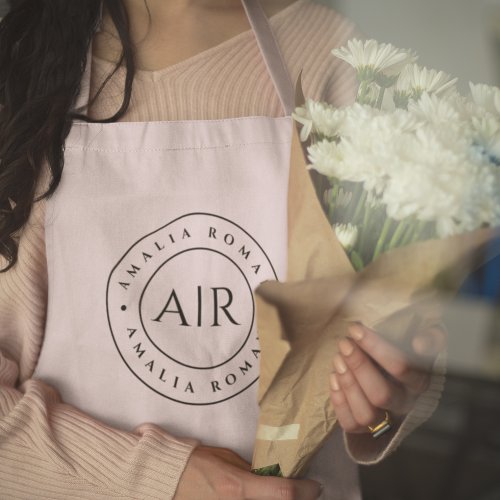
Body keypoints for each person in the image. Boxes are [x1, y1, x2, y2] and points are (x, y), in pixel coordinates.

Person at [0, 1, 446, 498]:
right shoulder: (19, 66)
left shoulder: (344, 57)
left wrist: (384, 414)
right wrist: (163, 478)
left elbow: (385, 386)